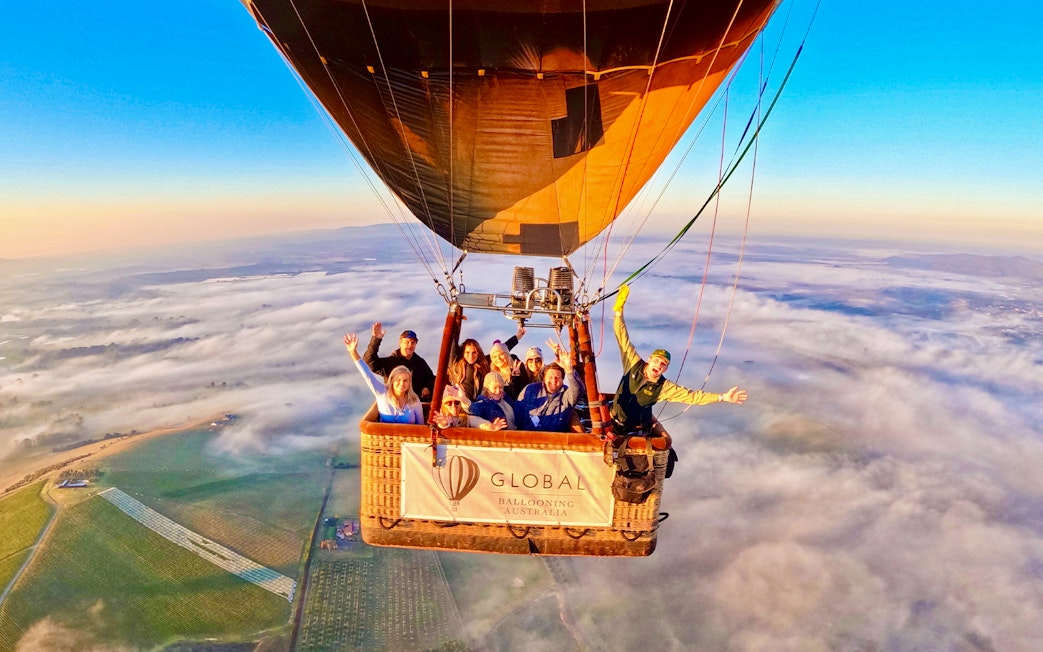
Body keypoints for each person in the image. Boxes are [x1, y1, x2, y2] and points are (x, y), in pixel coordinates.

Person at [609, 284, 747, 439]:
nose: (659, 365)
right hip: (612, 420)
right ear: (649, 360)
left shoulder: (664, 387)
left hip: (634, 432)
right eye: (657, 361)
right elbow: (622, 337)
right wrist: (618, 311)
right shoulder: (633, 363)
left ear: (665, 369)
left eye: (663, 364)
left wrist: (722, 397)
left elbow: (693, 396)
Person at [344, 333, 424, 424]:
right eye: (398, 380)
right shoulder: (382, 393)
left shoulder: (414, 400)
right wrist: (353, 352)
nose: (402, 383)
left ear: (409, 382)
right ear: (392, 380)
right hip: (384, 438)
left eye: (405, 380)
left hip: (408, 438)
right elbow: (367, 375)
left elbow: (420, 425)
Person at [515, 340, 584, 432]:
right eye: (550, 377)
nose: (553, 380)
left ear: (563, 380)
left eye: (557, 377)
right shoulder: (529, 389)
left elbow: (578, 389)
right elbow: (517, 413)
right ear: (544, 378)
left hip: (553, 441)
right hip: (527, 439)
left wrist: (569, 370)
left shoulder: (566, 395)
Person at [363, 322, 435, 401]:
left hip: (416, 403)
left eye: (413, 342)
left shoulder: (420, 362)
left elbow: (431, 378)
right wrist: (376, 340)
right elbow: (369, 360)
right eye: (407, 342)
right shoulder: (390, 362)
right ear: (400, 343)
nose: (410, 345)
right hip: (395, 404)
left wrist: (427, 387)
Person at [432, 385, 507, 431]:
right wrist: (444, 424)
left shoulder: (466, 418)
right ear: (443, 405)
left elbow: (479, 423)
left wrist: (490, 427)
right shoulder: (439, 418)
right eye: (449, 403)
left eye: (457, 402)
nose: (453, 406)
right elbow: (440, 425)